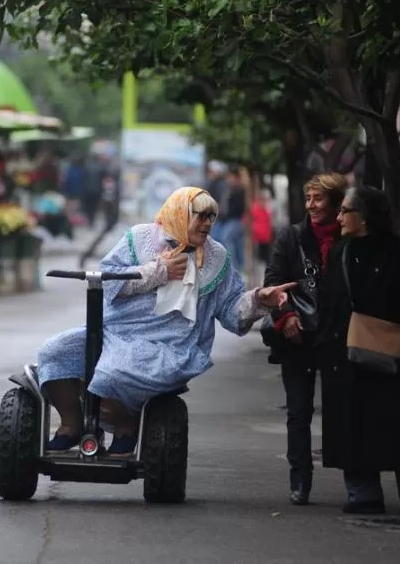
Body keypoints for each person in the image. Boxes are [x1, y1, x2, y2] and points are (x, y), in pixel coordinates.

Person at [37, 186, 296, 456]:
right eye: (201, 215)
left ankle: (126, 427)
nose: (207, 223)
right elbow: (107, 281)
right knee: (53, 353)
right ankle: (72, 423)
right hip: (112, 332)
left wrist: (259, 299)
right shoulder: (139, 239)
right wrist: (157, 271)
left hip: (171, 344)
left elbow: (232, 312)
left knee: (113, 373)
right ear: (179, 213)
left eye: (212, 217)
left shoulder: (216, 257)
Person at [322, 186, 400, 516]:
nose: (339, 217)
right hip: (351, 360)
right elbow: (332, 305)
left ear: (365, 217)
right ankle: (363, 494)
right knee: (354, 428)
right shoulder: (340, 253)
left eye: (345, 211)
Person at [263, 172, 348, 505]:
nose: (312, 205)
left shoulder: (348, 238)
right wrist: (285, 318)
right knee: (298, 412)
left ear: (336, 202)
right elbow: (272, 282)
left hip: (336, 338)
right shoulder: (291, 237)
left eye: (319, 199)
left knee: (340, 410)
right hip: (297, 337)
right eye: (308, 198)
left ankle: (356, 481)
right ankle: (299, 480)